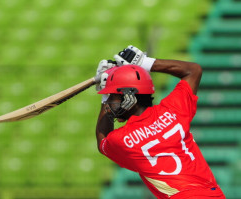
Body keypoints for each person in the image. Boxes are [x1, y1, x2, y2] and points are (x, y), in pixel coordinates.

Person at [95, 45, 225, 198]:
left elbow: (102, 140)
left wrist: (103, 99)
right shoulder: (174, 109)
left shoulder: (121, 139)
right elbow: (193, 70)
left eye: (112, 96)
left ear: (130, 97)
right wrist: (145, 63)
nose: (110, 101)